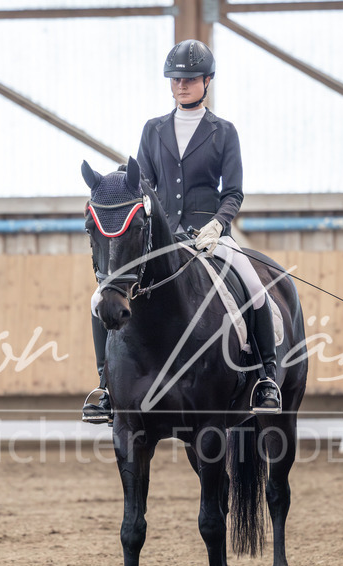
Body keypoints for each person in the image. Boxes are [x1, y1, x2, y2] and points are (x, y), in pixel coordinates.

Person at [82, 39, 281, 423]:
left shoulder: (223, 132)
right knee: (100, 297)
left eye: (190, 79)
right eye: (175, 79)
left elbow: (234, 191)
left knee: (254, 287)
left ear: (207, 81)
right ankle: (107, 388)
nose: (181, 85)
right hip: (164, 239)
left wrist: (219, 224)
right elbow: (142, 188)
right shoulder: (152, 130)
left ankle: (265, 377)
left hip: (210, 236)